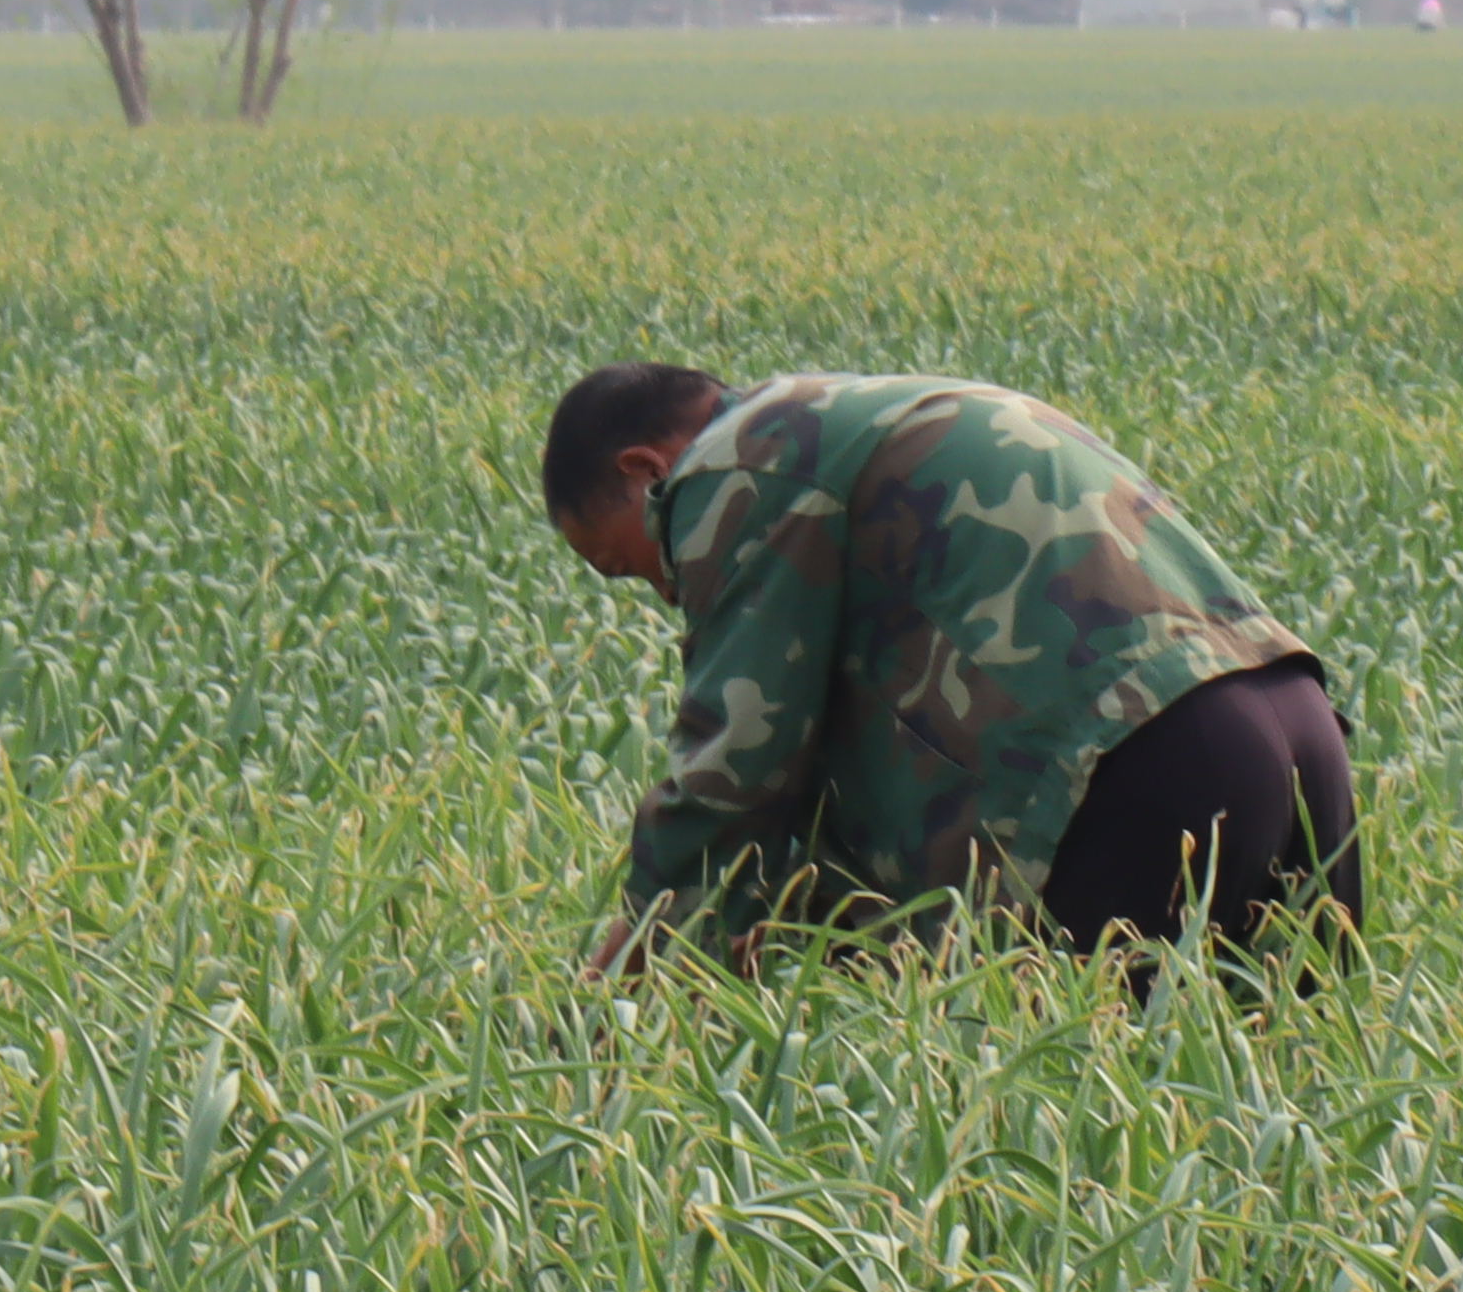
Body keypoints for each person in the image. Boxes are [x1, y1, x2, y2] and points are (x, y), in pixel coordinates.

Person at [540, 361, 1361, 990]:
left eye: (633, 567)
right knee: (1277, 1115)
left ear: (648, 472)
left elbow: (740, 761)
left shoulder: (735, 468)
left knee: (1073, 1150)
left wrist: (646, 957)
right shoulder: (861, 417)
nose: (670, 589)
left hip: (1145, 761)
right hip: (1291, 727)